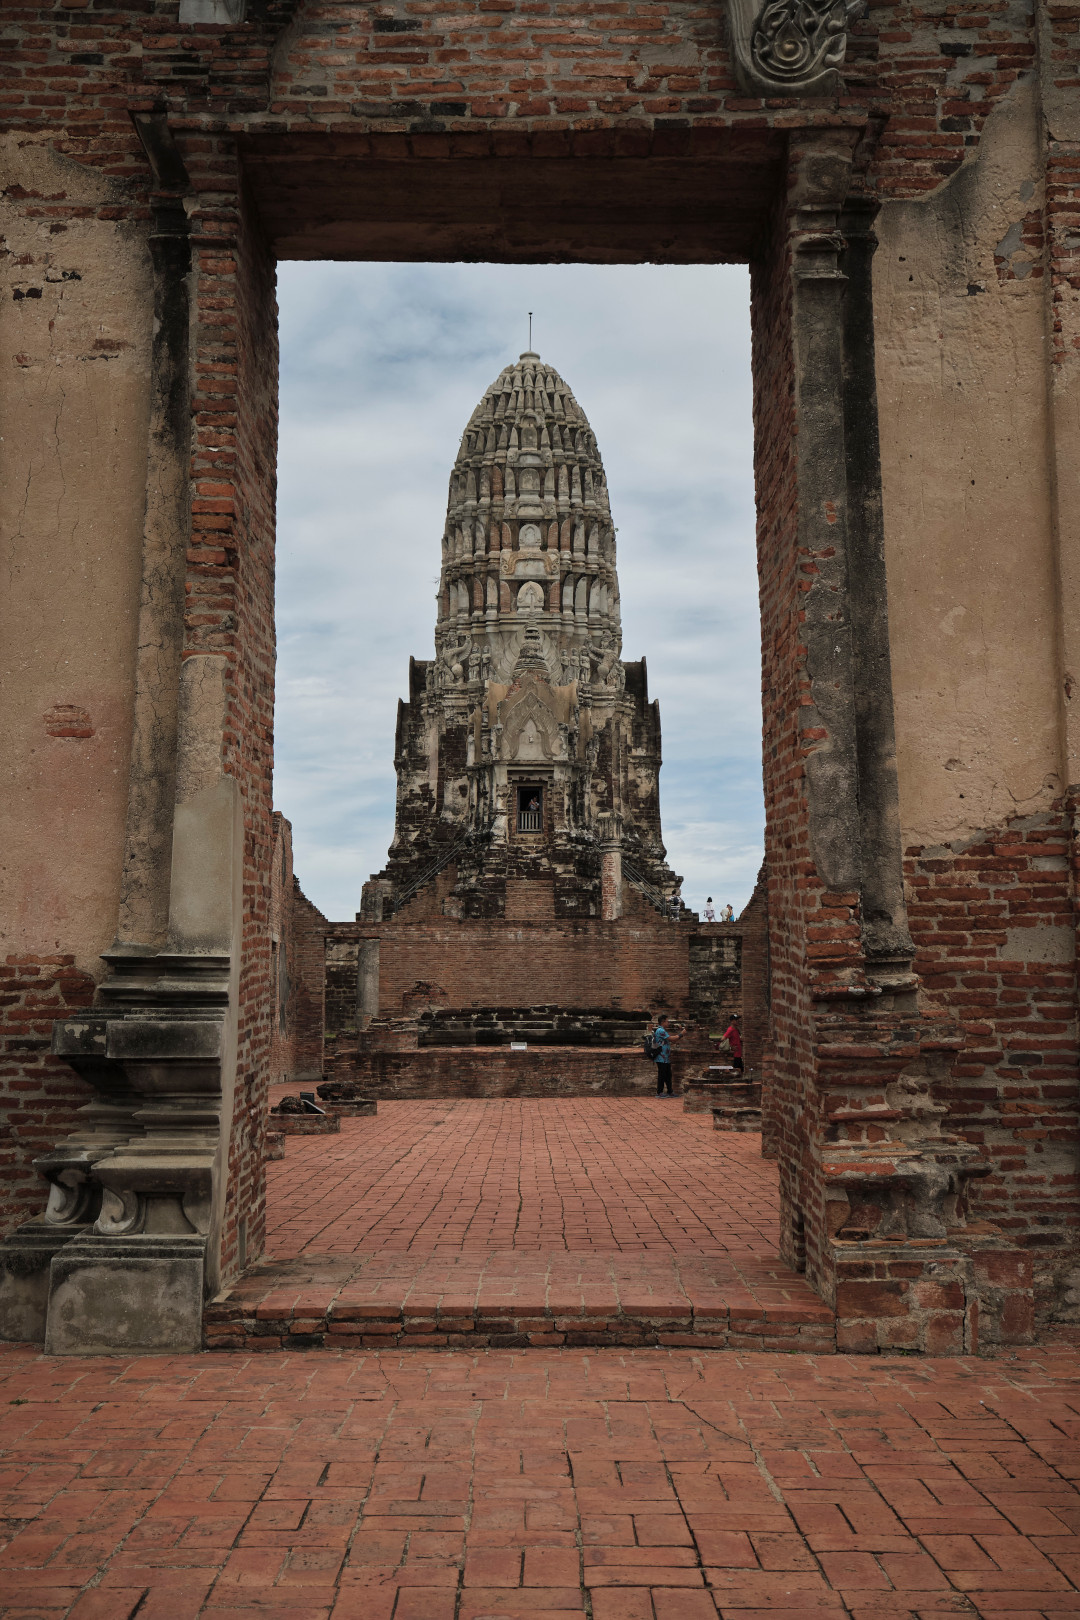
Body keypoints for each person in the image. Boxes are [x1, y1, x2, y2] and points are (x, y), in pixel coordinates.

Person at [651, 1012, 681, 1095]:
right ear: (663, 1022)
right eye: (667, 1021)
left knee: (668, 1075)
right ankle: (659, 1092)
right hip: (661, 1057)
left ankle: (670, 1091)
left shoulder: (662, 1030)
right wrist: (682, 1034)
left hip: (665, 1057)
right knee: (662, 1075)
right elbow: (671, 1038)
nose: (668, 1023)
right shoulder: (660, 1030)